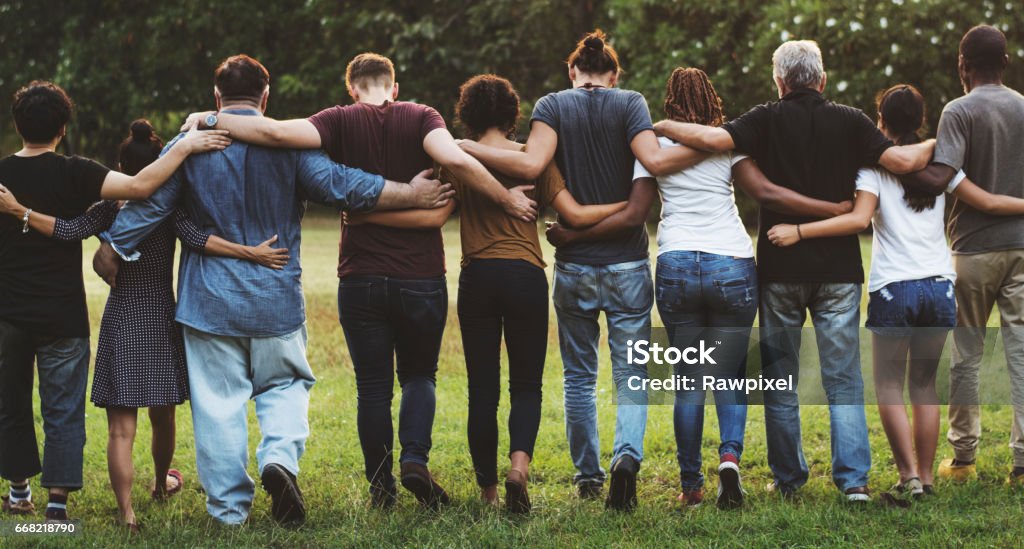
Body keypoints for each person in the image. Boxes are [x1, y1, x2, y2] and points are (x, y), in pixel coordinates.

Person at [94, 54, 453, 526]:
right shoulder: (292, 145)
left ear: (216, 98)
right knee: (285, 385)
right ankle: (278, 461)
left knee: (218, 405)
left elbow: (151, 200)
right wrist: (410, 192)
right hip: (276, 295)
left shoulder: (192, 143)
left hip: (210, 302)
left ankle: (228, 510)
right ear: (267, 97)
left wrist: (114, 244)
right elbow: (342, 185)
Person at [181, 53, 536, 511]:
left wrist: (209, 117)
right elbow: (455, 163)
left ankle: (380, 489)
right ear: (395, 86)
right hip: (421, 276)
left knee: (371, 387)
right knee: (419, 376)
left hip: (360, 276)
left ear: (351, 88)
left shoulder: (336, 121)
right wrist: (506, 198)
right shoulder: (423, 116)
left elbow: (271, 132)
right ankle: (414, 459)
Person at [654, 40, 934, 503]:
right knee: (843, 377)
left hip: (780, 267)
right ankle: (854, 483)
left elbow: (713, 141)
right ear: (821, 80)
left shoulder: (763, 118)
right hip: (841, 270)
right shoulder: (853, 121)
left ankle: (789, 479)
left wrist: (659, 123)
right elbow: (903, 162)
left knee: (780, 378)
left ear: (779, 81)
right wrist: (951, 136)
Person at [457, 30, 715, 511]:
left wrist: (462, 149)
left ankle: (588, 477)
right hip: (628, 263)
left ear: (572, 72)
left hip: (573, 267)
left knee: (578, 377)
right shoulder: (632, 102)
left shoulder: (552, 105)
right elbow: (652, 162)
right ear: (613, 74)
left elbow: (532, 162)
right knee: (631, 375)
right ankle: (626, 459)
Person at [349, 74, 627, 513]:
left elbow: (430, 219)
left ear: (467, 114)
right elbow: (572, 213)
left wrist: (365, 219)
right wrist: (631, 206)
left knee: (482, 390)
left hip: (478, 278)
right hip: (526, 279)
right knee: (527, 386)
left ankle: (490, 493)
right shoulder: (531, 158)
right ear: (513, 113)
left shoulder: (458, 159)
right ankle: (519, 470)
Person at [0, 119, 285, 531]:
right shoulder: (171, 210)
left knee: (120, 429)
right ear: (161, 166)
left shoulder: (107, 209)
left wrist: (20, 211)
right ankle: (158, 483)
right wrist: (249, 253)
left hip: (121, 319)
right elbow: (201, 239)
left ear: (120, 164)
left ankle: (126, 513)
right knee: (163, 416)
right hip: (160, 318)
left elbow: (67, 230)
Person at [769, 84, 1024, 500]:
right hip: (940, 288)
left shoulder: (872, 170)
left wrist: (798, 231)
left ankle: (906, 477)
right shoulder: (945, 170)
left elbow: (856, 220)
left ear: (881, 121)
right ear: (922, 121)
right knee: (924, 385)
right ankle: (926, 477)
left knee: (889, 385)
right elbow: (991, 204)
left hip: (894, 291)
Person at [639, 67, 858, 509]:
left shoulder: (654, 145)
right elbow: (766, 192)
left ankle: (691, 487)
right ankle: (730, 460)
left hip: (677, 260)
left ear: (670, 102)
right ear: (712, 99)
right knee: (731, 374)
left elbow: (640, 196)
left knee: (688, 382)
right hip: (731, 261)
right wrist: (828, 209)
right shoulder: (730, 143)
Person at [898, 25, 1024, 485]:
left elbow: (941, 176)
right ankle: (1022, 463)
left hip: (973, 249)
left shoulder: (959, 110)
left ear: (961, 64)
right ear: (1006, 63)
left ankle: (964, 459)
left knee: (967, 354)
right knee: (1021, 353)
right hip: (1023, 247)